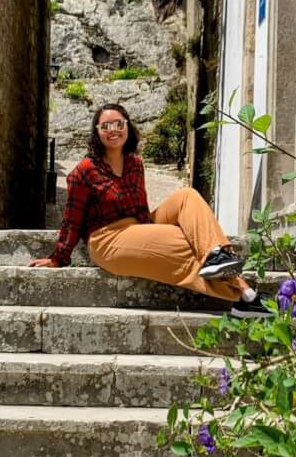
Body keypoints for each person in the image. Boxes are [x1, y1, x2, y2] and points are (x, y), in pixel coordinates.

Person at [30, 102, 272, 318]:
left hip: (139, 226)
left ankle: (217, 256)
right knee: (184, 241)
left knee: (187, 196)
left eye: (118, 123)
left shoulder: (135, 163)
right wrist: (58, 257)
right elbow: (72, 219)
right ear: (97, 133)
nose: (112, 130)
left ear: (127, 127)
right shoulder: (84, 170)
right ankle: (244, 294)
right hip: (108, 240)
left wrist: (154, 231)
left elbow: (142, 209)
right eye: (105, 126)